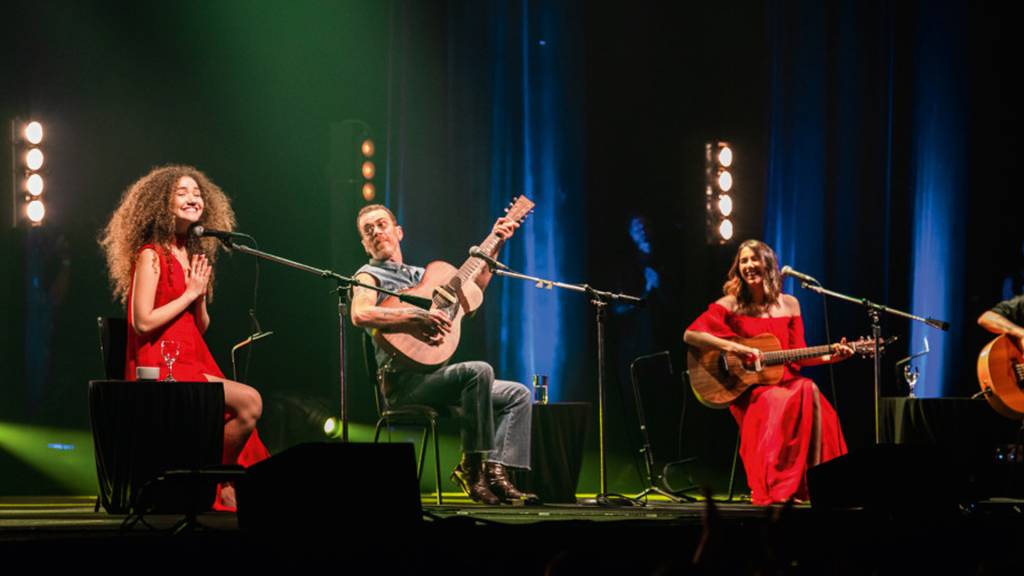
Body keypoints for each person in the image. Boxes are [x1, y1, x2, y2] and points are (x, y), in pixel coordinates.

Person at [100, 165, 269, 509]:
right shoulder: (151, 255)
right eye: (182, 192)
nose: (193, 198)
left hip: (190, 358)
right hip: (161, 364)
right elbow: (142, 323)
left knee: (243, 408)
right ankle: (214, 480)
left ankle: (211, 481)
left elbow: (198, 328)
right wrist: (189, 294)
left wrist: (200, 296)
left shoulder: (191, 254)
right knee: (250, 402)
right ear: (161, 202)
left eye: (197, 193)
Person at [350, 204, 536, 505]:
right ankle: (471, 468)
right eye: (368, 230)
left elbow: (475, 289)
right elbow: (360, 314)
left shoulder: (428, 275)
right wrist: (415, 317)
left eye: (381, 224)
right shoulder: (369, 276)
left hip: (438, 378)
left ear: (399, 232)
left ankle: (496, 472)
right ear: (364, 244)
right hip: (405, 384)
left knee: (518, 394)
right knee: (478, 371)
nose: (376, 232)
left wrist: (497, 240)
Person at [683, 239, 851, 505]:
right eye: (743, 261)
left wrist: (833, 357)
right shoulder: (730, 304)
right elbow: (691, 334)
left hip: (786, 381)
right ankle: (779, 489)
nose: (748, 266)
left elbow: (800, 354)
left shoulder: (791, 304)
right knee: (779, 400)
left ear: (769, 264)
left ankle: (813, 486)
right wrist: (734, 347)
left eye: (754, 259)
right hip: (750, 389)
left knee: (809, 389)